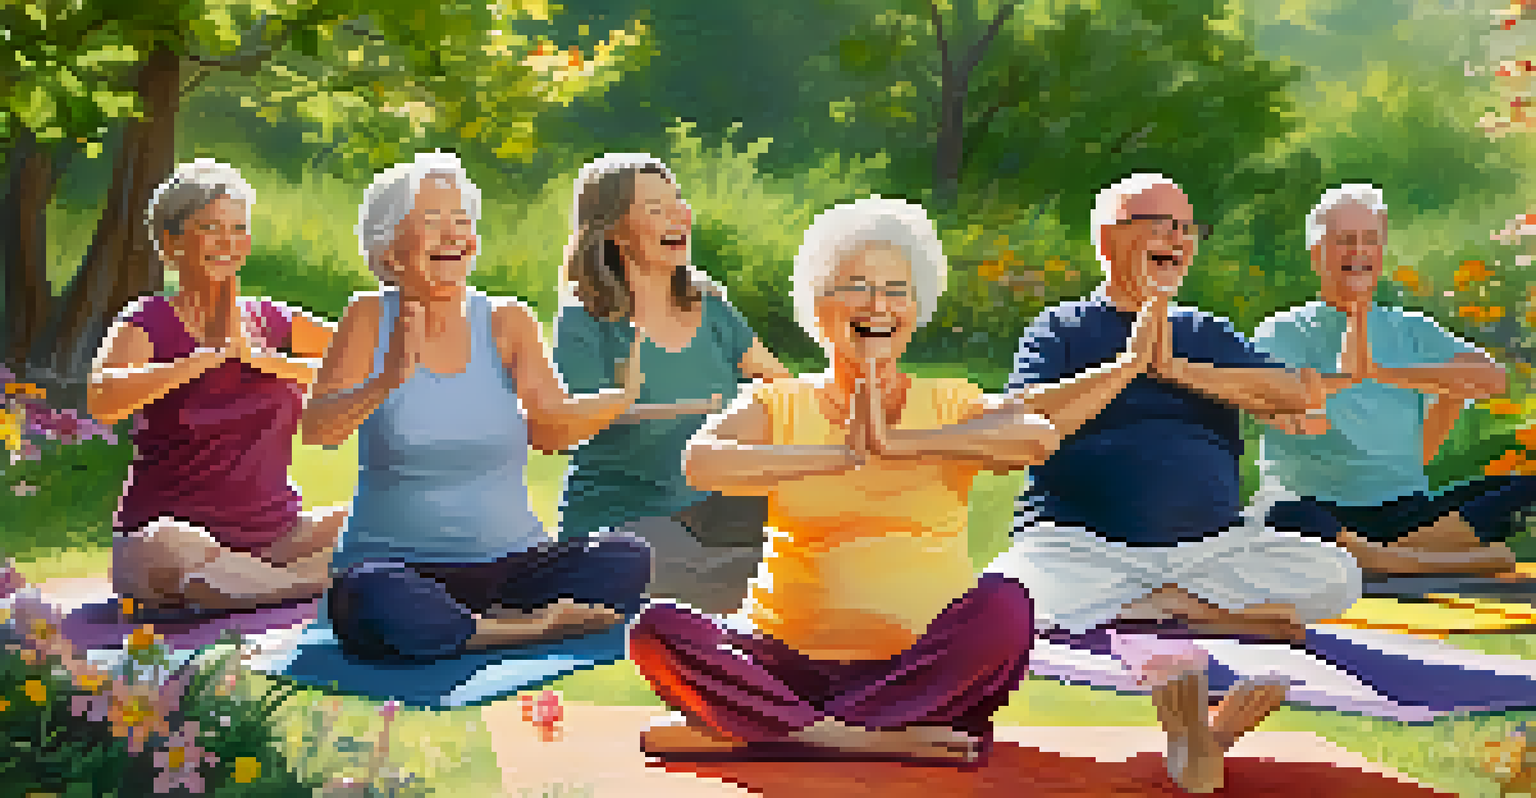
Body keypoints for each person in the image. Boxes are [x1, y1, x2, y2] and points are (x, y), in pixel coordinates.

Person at [630, 196, 1165, 765]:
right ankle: (859, 736)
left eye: (896, 290)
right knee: (656, 629)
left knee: (1006, 607)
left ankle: (771, 729)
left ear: (916, 307)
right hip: (779, 661)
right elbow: (702, 460)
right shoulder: (779, 402)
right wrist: (840, 455)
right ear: (818, 303)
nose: (879, 305)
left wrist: (900, 444)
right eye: (857, 286)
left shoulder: (948, 401)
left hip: (918, 669)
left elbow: (1035, 437)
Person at [987, 173, 1363, 792]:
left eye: (1188, 228)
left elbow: (1292, 393)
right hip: (1080, 545)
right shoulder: (1062, 329)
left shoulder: (1204, 331)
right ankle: (1194, 616)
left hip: (1209, 550)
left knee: (1338, 574)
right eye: (1160, 225)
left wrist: (1175, 368)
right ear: (1108, 240)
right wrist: (1126, 367)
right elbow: (1020, 418)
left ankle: (1163, 610)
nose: (1179, 239)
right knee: (1003, 596)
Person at [303, 152, 651, 663]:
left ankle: (468, 627)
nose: (453, 235)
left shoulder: (508, 321)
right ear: (390, 247)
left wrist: (617, 399)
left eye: (461, 220)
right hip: (401, 568)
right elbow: (319, 430)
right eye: (432, 220)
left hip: (514, 564)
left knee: (627, 557)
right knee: (365, 595)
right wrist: (387, 378)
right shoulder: (368, 317)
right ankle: (527, 630)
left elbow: (550, 432)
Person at [90, 159, 345, 617]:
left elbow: (362, 358)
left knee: (376, 518)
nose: (228, 242)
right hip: (174, 541)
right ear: (171, 242)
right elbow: (102, 398)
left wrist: (267, 361)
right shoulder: (147, 322)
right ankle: (318, 581)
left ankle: (258, 583)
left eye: (238, 229)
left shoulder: (269, 320)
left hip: (276, 535)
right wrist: (198, 361)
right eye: (210, 228)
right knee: (170, 548)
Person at [553, 154, 790, 614]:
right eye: (657, 208)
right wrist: (626, 399)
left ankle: (741, 587)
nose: (679, 214)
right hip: (624, 520)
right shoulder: (585, 320)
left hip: (715, 511)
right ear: (615, 231)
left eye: (678, 201)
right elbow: (568, 428)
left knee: (822, 533)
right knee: (648, 566)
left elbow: (785, 392)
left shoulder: (713, 309)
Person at [1252, 184, 1528, 576]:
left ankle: (1377, 557)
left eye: (1370, 240)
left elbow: (1492, 379)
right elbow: (1292, 404)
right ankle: (1413, 560)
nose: (1359, 251)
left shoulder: (1411, 328)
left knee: (1526, 490)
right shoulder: (1282, 330)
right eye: (1345, 240)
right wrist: (1354, 323)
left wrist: (1382, 372)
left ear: (1381, 252)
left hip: (1405, 512)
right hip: (1315, 506)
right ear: (1317, 253)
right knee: (1277, 514)